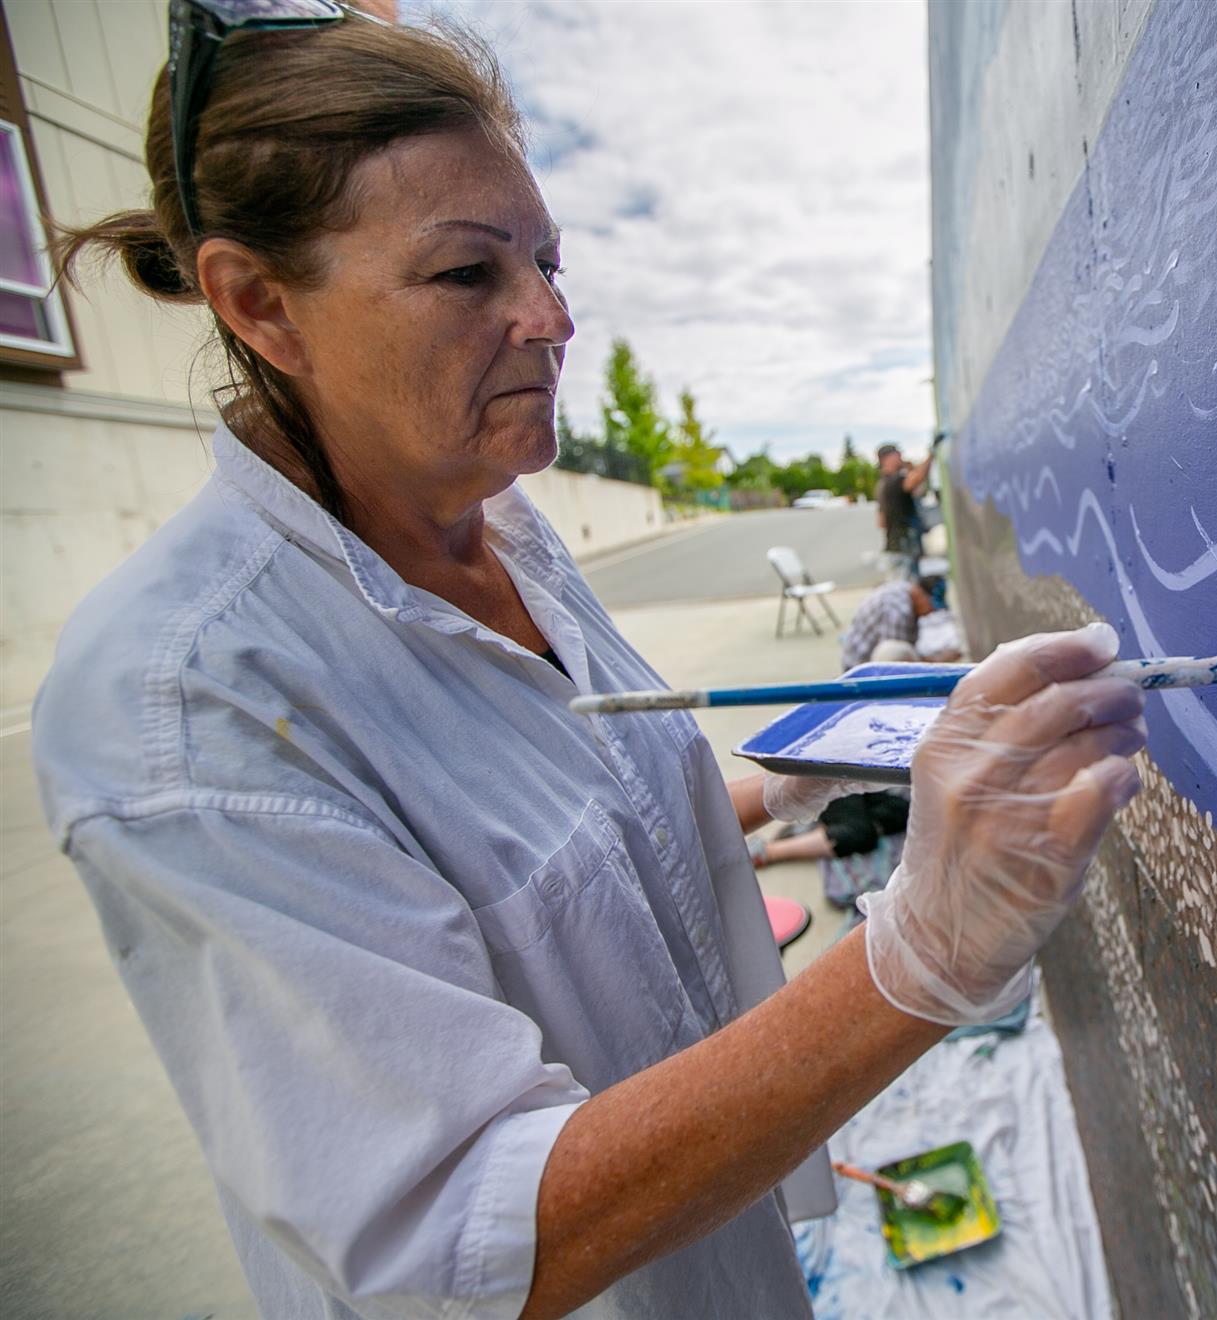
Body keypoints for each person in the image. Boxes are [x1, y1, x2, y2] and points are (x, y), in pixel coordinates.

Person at [34, 12, 1145, 1320]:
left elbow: (558, 864)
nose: (553, 317)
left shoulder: (500, 520)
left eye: (550, 261)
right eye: (468, 276)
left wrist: (800, 771)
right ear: (258, 302)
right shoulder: (186, 705)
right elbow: (455, 1243)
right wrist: (921, 957)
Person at [839, 574, 955, 672]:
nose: (930, 612)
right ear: (921, 594)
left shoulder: (906, 591)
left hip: (875, 661)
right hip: (860, 667)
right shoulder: (896, 610)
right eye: (931, 606)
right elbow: (896, 662)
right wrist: (937, 664)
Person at [873, 442, 931, 577]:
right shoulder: (894, 480)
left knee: (902, 589)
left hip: (895, 548)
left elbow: (881, 523)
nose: (901, 457)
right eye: (897, 454)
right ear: (886, 459)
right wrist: (931, 454)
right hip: (903, 548)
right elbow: (917, 478)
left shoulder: (882, 484)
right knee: (908, 590)